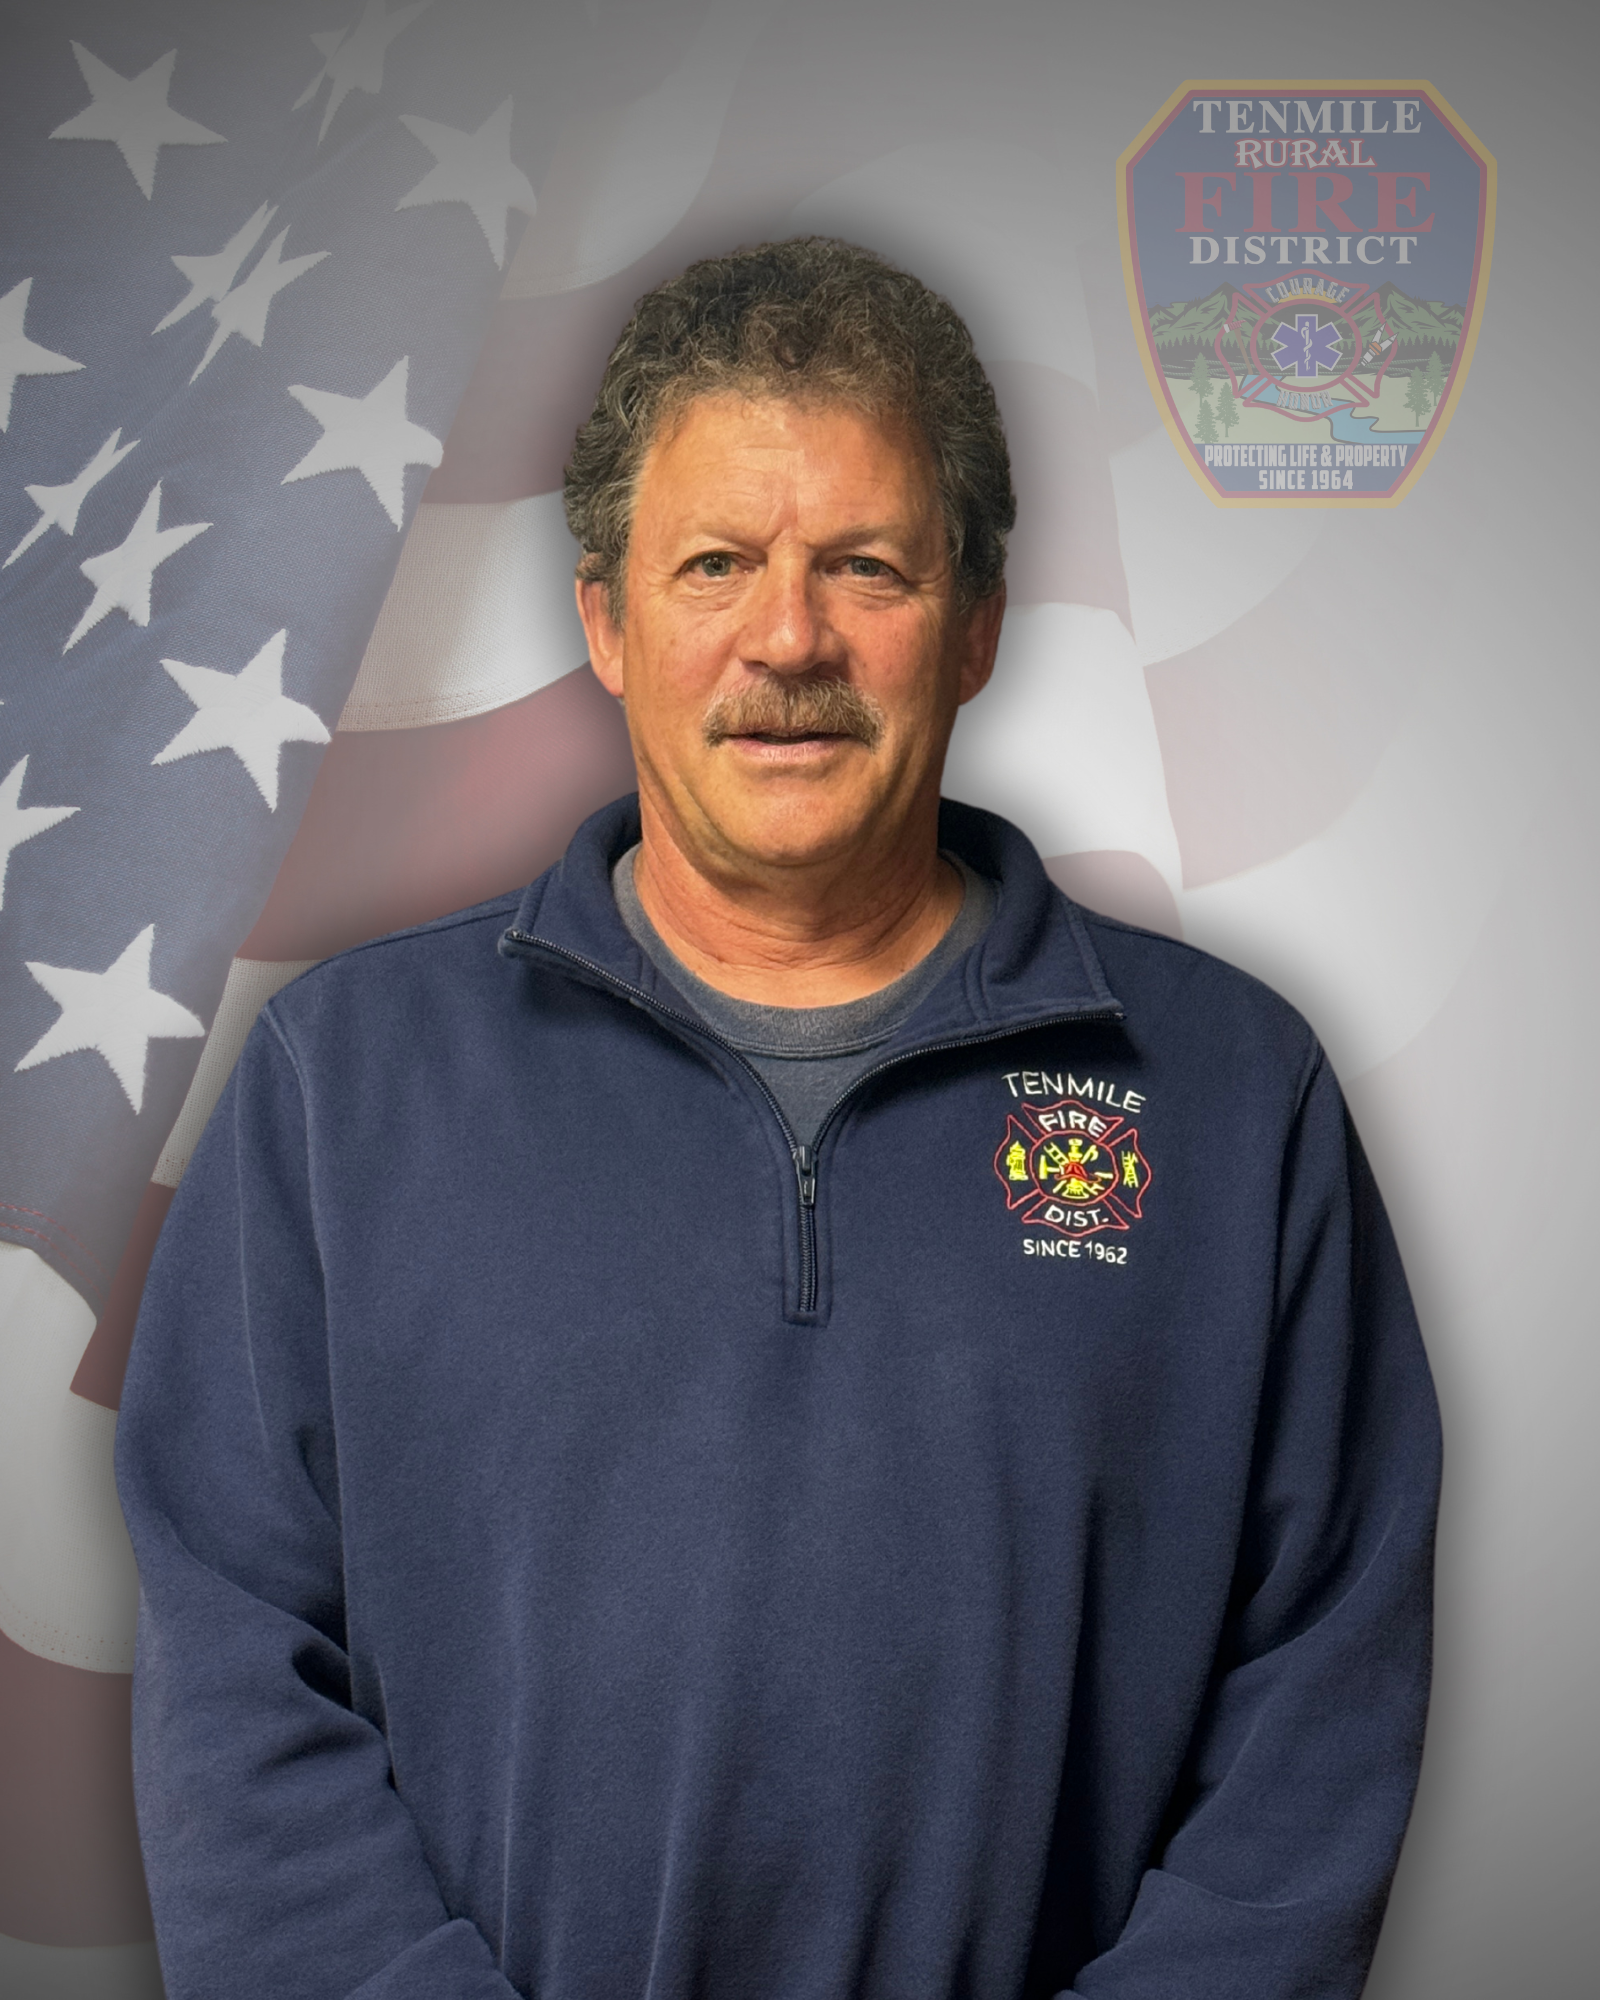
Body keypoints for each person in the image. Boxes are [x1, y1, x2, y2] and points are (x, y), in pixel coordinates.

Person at [116, 238, 1440, 2000]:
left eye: (868, 567)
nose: (790, 637)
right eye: (717, 563)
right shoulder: (338, 1094)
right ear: (607, 619)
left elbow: (1320, 1712)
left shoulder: (1231, 1098)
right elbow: (234, 1688)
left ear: (974, 623)